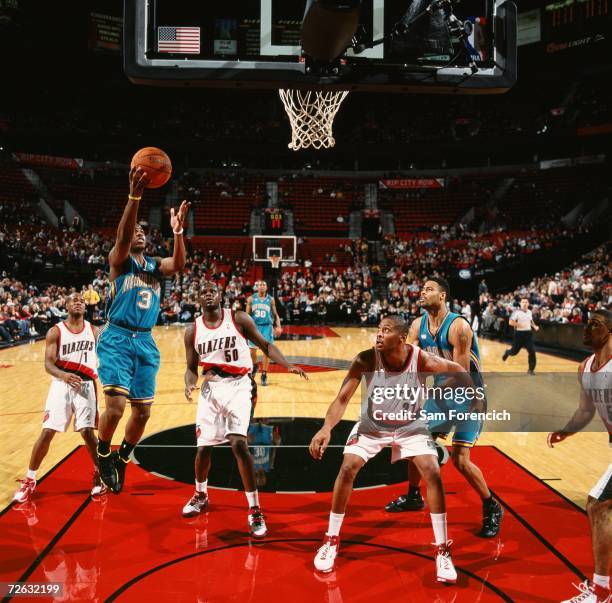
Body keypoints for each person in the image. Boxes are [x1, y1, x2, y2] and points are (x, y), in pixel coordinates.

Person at [309, 315, 473, 582]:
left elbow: (461, 373)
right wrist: (326, 428)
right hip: (373, 424)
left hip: (410, 426)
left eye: (385, 331)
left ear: (401, 337)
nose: (378, 335)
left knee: (432, 472)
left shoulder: (421, 360)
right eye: (378, 330)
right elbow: (341, 399)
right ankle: (331, 539)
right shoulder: (366, 359)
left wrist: (441, 395)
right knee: (348, 466)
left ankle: (443, 550)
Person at [181, 281, 307, 537]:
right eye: (203, 292)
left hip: (239, 385)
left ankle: (255, 509)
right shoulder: (192, 330)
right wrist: (189, 384)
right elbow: (191, 367)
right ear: (197, 299)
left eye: (212, 291)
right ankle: (200, 494)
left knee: (239, 444)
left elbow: (265, 345)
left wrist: (287, 364)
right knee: (203, 448)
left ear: (220, 296)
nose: (208, 295)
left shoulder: (238, 318)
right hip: (210, 388)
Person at [384, 277, 503, 539]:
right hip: (440, 394)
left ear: (443, 296)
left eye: (429, 289)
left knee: (461, 460)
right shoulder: (418, 325)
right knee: (413, 441)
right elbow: (409, 360)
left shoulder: (458, 326)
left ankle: (491, 505)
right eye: (422, 288)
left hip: (469, 396)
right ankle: (414, 496)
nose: (422, 292)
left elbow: (460, 373)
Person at [96, 167, 190, 494]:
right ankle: (103, 452)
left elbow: (178, 265)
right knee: (116, 407)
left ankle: (122, 457)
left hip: (146, 341)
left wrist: (178, 232)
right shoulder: (119, 261)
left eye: (142, 231)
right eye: (134, 229)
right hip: (118, 337)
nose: (138, 233)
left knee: (143, 412)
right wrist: (134, 197)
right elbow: (121, 238)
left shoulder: (155, 266)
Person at [13, 293, 106, 503]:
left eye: (82, 301)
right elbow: (48, 363)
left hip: (86, 385)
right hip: (61, 384)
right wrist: (64, 375)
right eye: (74, 300)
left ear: (86, 306)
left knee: (87, 433)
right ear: (66, 304)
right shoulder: (56, 331)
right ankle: (30, 479)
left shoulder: (94, 330)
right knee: (47, 432)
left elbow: (107, 356)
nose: (78, 303)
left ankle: (99, 475)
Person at [548, 309, 611, 603]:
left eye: (595, 324)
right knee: (597, 506)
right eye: (586, 323)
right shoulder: (585, 367)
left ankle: (600, 593)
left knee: (598, 506)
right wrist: (566, 430)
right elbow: (586, 410)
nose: (586, 329)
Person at [246, 280, 282, 386]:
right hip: (254, 327)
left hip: (267, 327)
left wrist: (278, 326)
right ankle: (255, 365)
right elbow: (247, 315)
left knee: (266, 352)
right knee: (252, 352)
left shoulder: (271, 300)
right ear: (257, 287)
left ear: (266, 288)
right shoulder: (251, 299)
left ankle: (264, 374)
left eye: (264, 285)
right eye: (260, 285)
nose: (261, 286)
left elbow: (275, 315)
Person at [502, 297, 539, 374]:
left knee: (532, 351)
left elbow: (531, 320)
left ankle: (531, 369)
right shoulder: (516, 312)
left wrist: (534, 326)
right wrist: (519, 325)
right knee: (514, 352)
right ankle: (507, 352)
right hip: (519, 335)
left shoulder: (529, 312)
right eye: (523, 302)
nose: (525, 303)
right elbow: (510, 322)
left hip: (528, 334)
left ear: (528, 304)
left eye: (526, 302)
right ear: (520, 304)